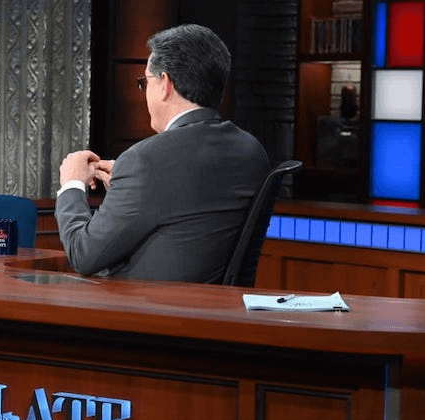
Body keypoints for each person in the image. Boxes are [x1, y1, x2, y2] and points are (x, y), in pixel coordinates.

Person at [55, 24, 270, 282]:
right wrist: (129, 187)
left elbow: (83, 255)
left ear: (166, 83)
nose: (145, 93)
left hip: (145, 305)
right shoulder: (251, 151)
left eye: (145, 82)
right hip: (216, 305)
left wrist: (72, 185)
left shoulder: (145, 161)